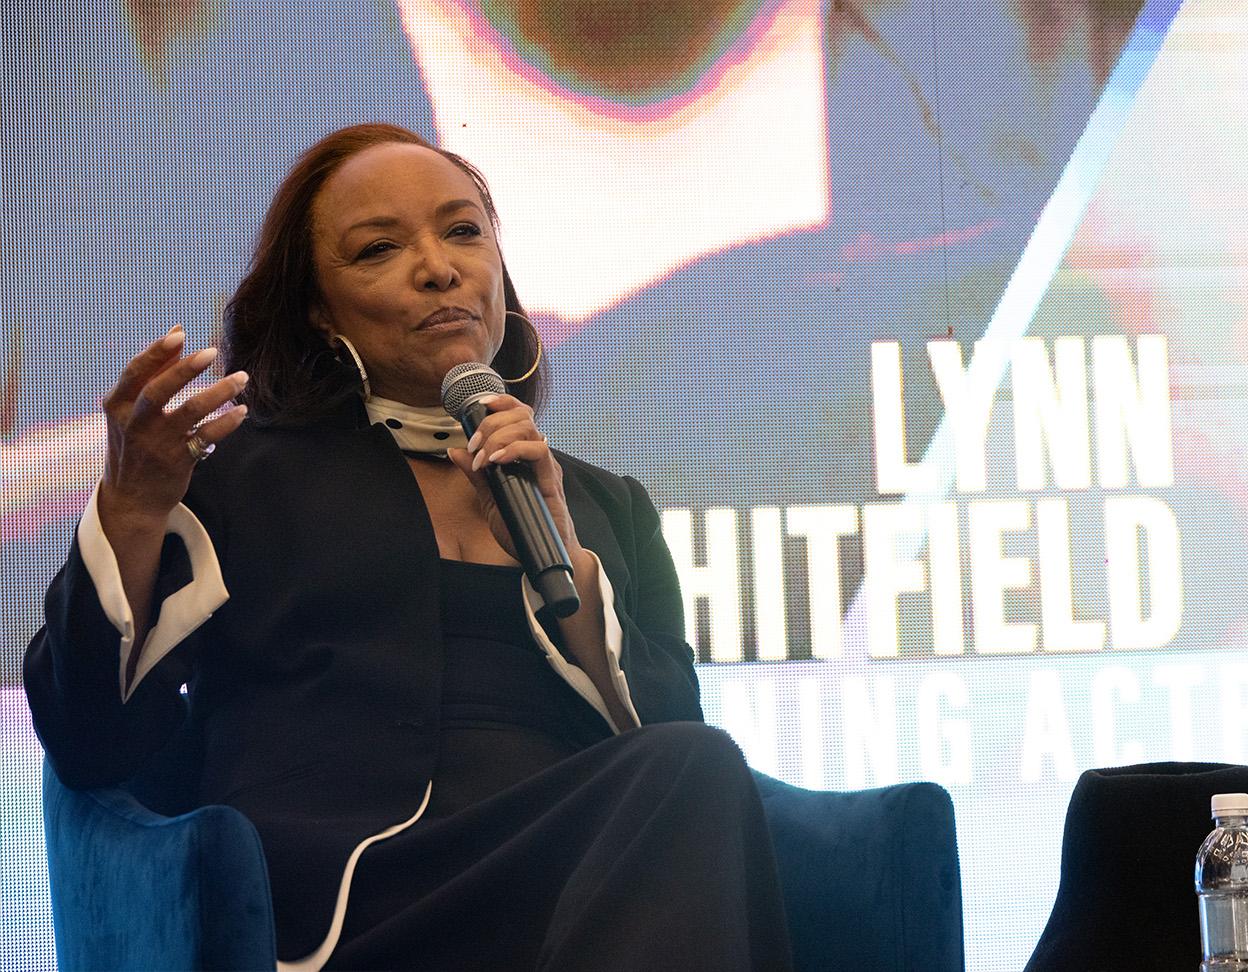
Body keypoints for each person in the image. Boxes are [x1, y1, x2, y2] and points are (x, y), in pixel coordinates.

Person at [24, 123, 793, 971]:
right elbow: (91, 738)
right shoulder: (240, 480)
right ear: (317, 308)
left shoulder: (605, 506)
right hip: (357, 898)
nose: (439, 267)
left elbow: (673, 739)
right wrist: (132, 511)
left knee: (695, 769)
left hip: (575, 889)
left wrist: (564, 553)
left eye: (464, 231)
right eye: (379, 249)